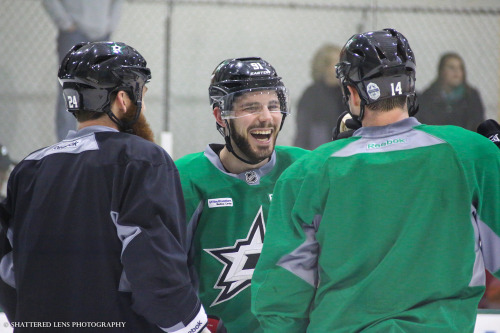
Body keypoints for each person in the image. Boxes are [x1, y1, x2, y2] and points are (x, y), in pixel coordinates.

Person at [251, 28, 500, 332]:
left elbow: (284, 291)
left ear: (352, 94)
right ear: (410, 85)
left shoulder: (308, 172)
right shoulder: (471, 154)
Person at [0, 41, 211, 333]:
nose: (143, 105)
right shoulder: (140, 159)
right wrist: (193, 325)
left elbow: (8, 266)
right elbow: (155, 267)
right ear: (123, 99)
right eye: (142, 94)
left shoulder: (28, 168)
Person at [175, 57, 309, 332]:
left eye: (274, 106)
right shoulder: (186, 177)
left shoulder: (305, 169)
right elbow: (161, 274)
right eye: (251, 107)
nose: (266, 117)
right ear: (219, 116)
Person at [42, 0, 124, 141]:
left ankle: (95, 147)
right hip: (73, 35)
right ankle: (66, 149)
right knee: (69, 92)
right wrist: (66, 24)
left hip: (102, 35)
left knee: (101, 93)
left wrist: (108, 25)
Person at [293, 44, 345, 150]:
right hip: (319, 150)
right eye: (337, 63)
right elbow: (304, 130)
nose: (342, 67)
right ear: (324, 67)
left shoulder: (346, 92)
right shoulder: (311, 94)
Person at [417, 52, 485, 131]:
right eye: (451, 67)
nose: (456, 72)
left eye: (460, 68)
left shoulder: (471, 97)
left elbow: (477, 123)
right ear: (441, 71)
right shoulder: (427, 97)